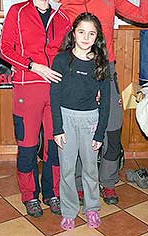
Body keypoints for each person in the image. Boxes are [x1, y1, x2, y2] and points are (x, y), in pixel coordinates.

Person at [59, 0, 148, 205]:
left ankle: (108, 182)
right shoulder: (63, 6)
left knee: (113, 129)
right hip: (76, 76)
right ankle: (78, 185)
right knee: (78, 134)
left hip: (106, 71)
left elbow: (144, 17)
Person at [0, 0, 71, 217]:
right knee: (28, 146)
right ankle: (29, 195)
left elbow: (68, 55)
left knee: (55, 146)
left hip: (56, 91)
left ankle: (52, 193)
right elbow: (5, 49)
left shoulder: (62, 17)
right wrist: (34, 66)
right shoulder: (17, 12)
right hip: (27, 88)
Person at [51, 13, 110, 230]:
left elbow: (106, 101)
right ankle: (68, 211)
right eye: (81, 32)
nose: (86, 37)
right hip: (66, 120)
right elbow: (54, 95)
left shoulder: (101, 63)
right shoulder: (61, 60)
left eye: (91, 33)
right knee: (66, 169)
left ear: (97, 38)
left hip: (90, 121)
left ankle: (92, 208)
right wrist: (57, 128)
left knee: (90, 169)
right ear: (74, 33)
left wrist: (99, 132)